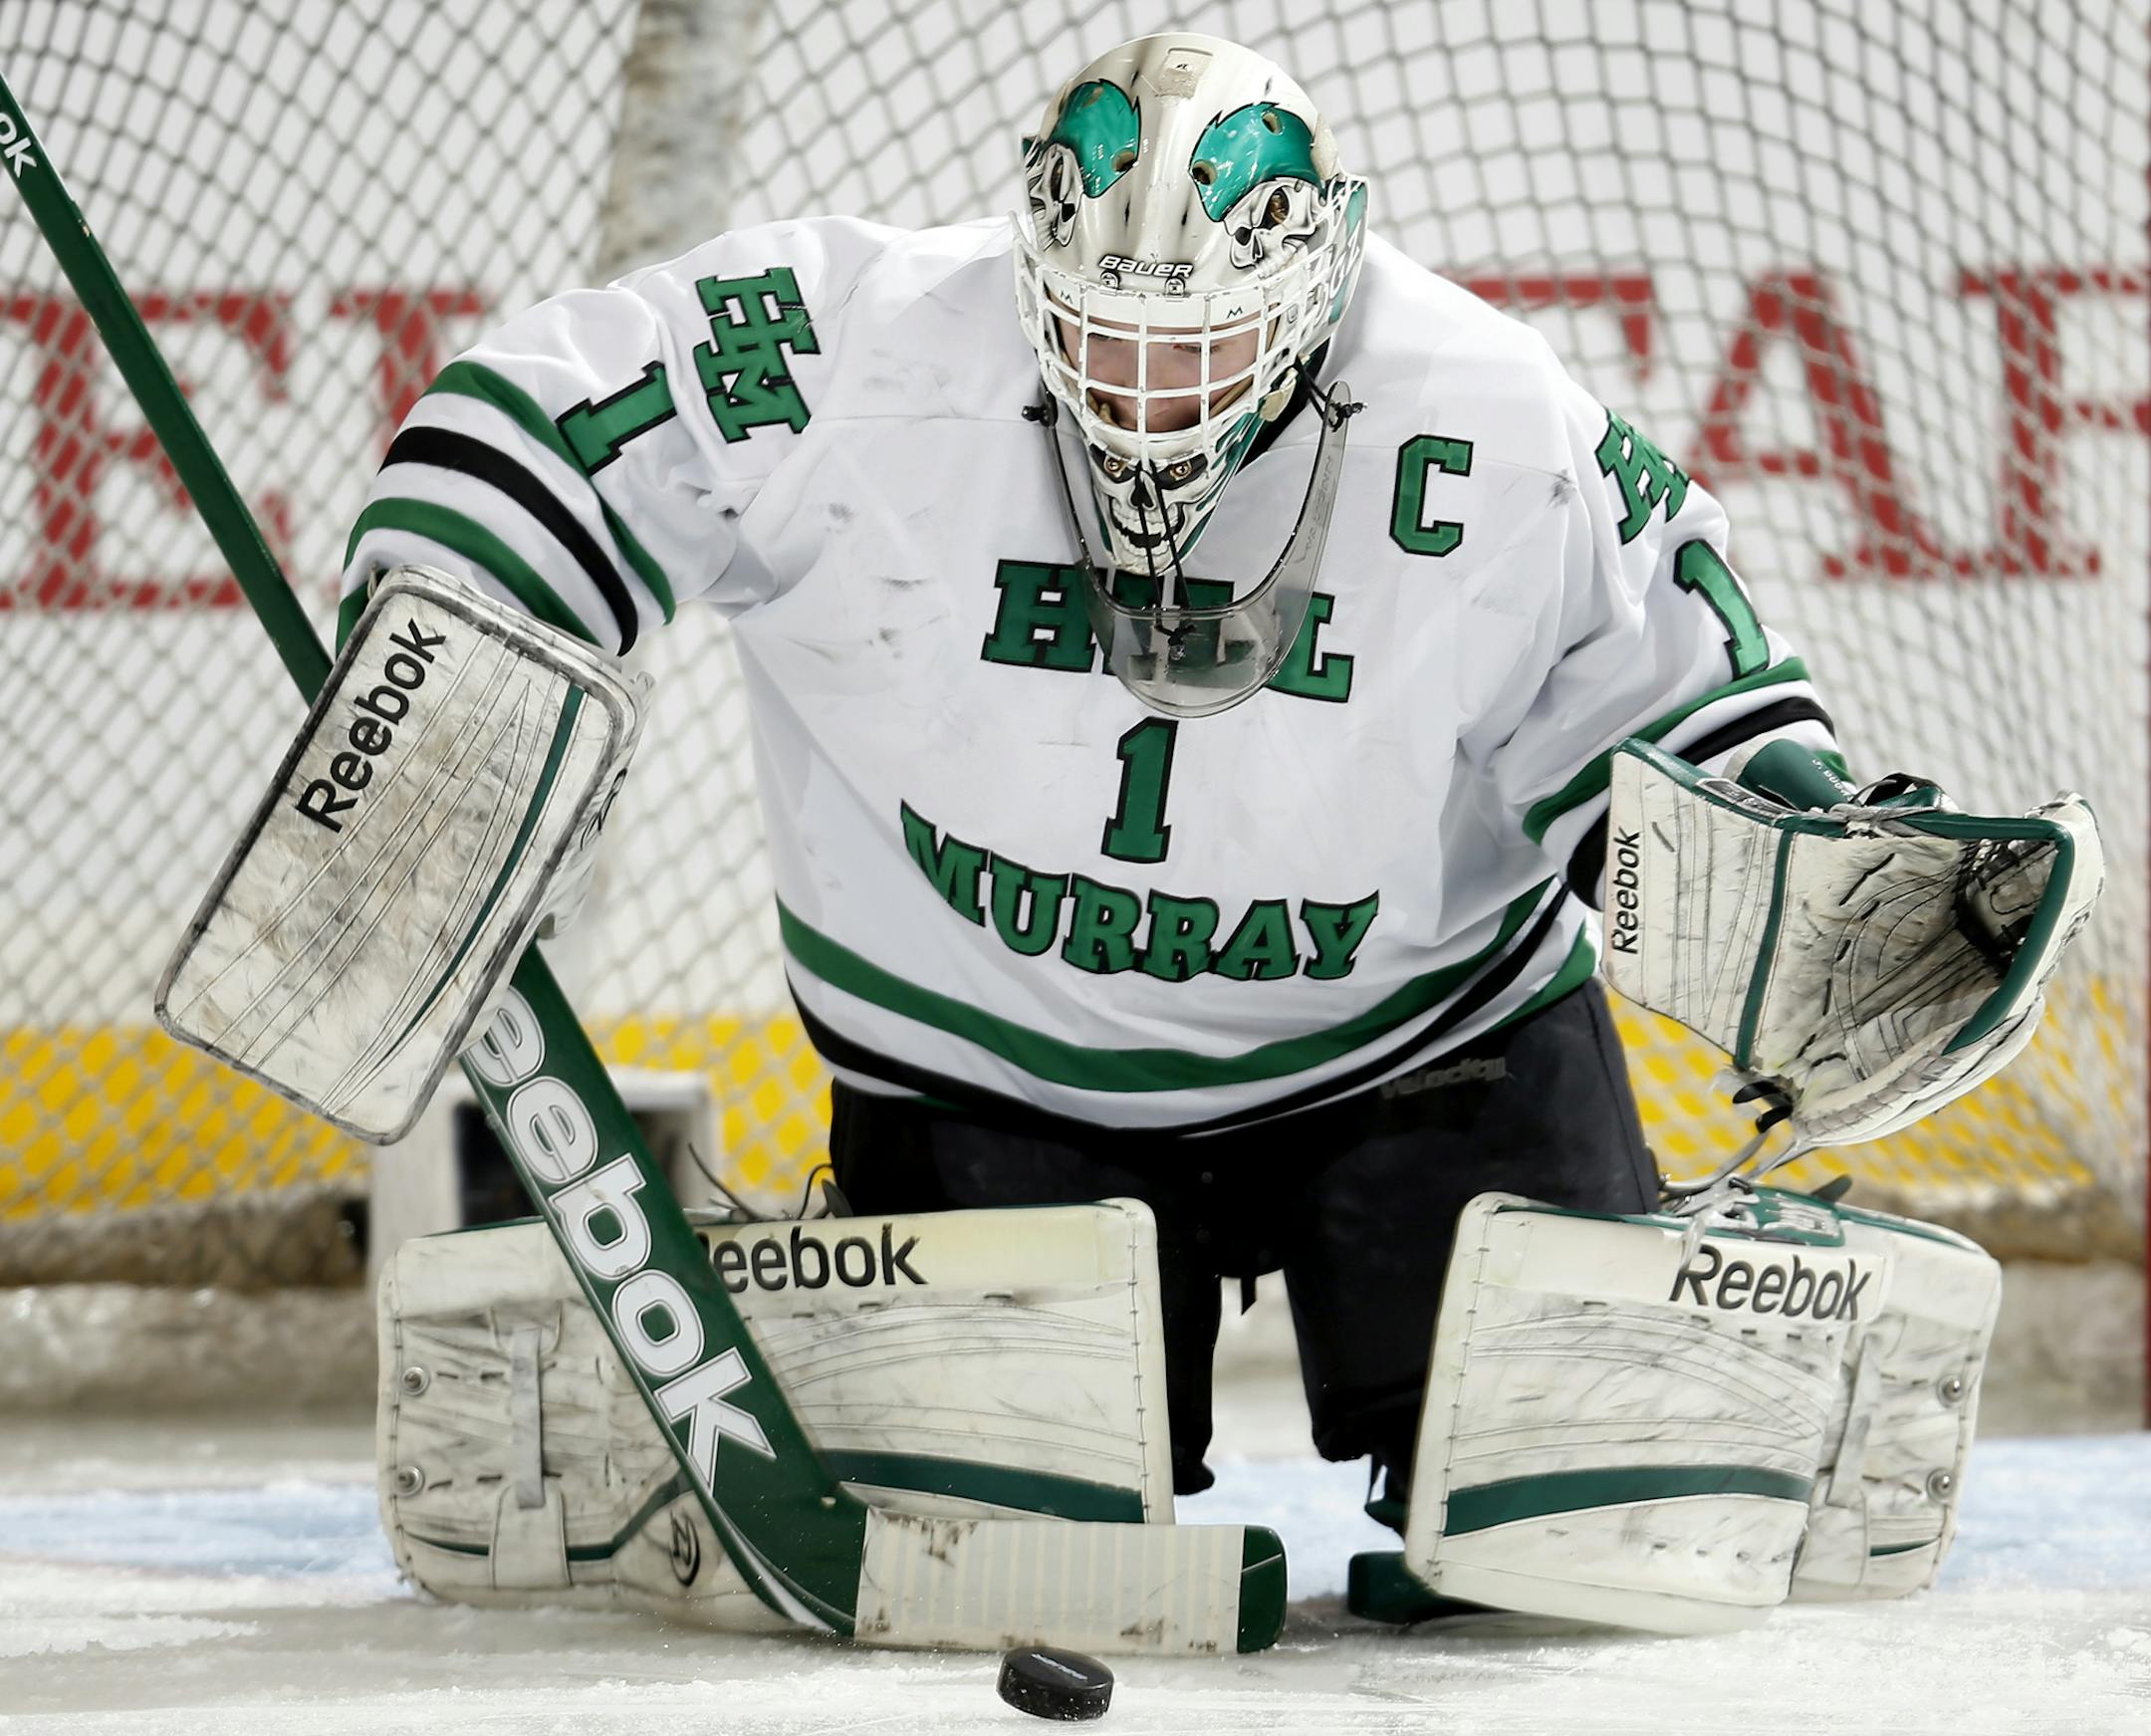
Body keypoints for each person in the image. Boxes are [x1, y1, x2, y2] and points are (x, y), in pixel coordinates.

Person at [332, 32, 1991, 1522]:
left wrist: (1803, 852)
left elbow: (1678, 705)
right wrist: (441, 666)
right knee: (984, 1530)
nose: (1145, 397)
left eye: (1200, 348)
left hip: (1431, 1064)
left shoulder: (1496, 415)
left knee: (1571, 1533)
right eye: (1102, 342)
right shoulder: (862, 341)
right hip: (992, 1083)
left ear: (1323, 277)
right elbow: (539, 419)